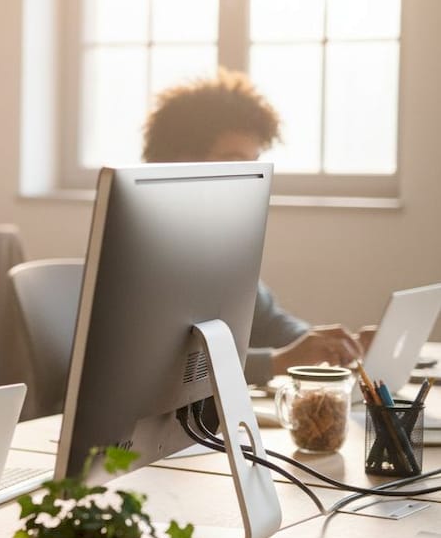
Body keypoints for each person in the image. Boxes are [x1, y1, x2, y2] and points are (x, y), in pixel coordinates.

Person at [143, 69, 370, 384]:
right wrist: (279, 362)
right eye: (233, 159)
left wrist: (327, 346)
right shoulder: (148, 247)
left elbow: (268, 321)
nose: (251, 176)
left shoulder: (221, 237)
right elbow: (169, 368)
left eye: (255, 162)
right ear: (181, 160)